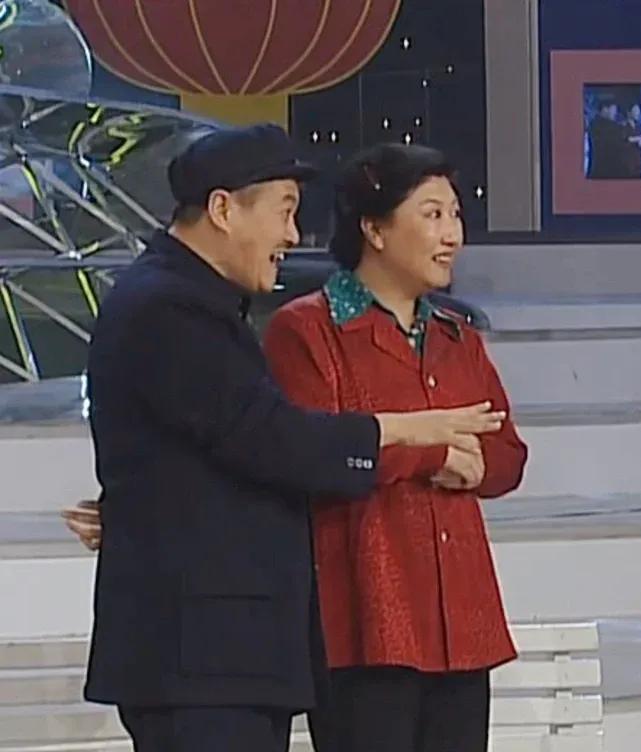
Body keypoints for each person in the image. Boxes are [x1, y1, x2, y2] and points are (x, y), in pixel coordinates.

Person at [80, 124, 506, 752]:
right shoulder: (169, 307)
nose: (291, 235)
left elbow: (211, 447)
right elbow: (268, 437)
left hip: (223, 658)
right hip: (202, 656)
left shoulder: (192, 302)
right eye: (283, 211)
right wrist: (405, 432)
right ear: (223, 209)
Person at [263, 142, 527, 752]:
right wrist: (432, 453)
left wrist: (475, 466)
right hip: (364, 619)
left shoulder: (457, 337)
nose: (452, 234)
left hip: (462, 622)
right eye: (432, 215)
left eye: (455, 215)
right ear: (375, 229)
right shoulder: (306, 330)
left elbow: (508, 456)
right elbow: (314, 454)